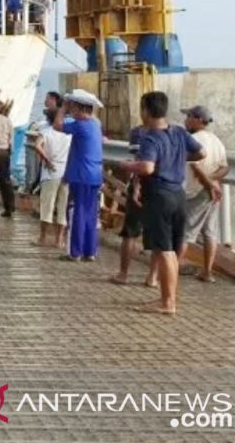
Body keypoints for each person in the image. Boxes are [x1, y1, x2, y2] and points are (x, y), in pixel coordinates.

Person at [117, 91, 205, 315]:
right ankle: (169, 298)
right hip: (179, 194)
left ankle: (167, 302)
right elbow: (201, 153)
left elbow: (146, 167)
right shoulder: (178, 132)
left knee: (164, 249)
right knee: (172, 251)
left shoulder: (150, 137)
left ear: (146, 110)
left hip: (159, 195)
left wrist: (127, 165)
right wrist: (177, 159)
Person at [181, 106, 228, 282]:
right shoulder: (216, 141)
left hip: (197, 191)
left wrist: (208, 183)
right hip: (212, 191)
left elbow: (195, 165)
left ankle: (171, 270)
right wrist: (213, 181)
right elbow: (225, 168)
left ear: (198, 119)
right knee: (210, 232)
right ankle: (207, 272)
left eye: (188, 116)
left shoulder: (193, 139)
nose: (186, 120)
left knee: (185, 233)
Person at [60, 89, 105, 262]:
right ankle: (90, 251)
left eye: (73, 107)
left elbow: (57, 125)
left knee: (76, 212)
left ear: (79, 108)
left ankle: (75, 251)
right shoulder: (96, 124)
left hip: (81, 176)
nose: (71, 110)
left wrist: (62, 109)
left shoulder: (80, 125)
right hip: (94, 175)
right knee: (90, 214)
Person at [110, 126, 148, 285]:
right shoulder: (172, 131)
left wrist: (135, 184)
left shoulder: (139, 132)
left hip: (142, 186)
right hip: (164, 187)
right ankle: (153, 277)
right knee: (161, 236)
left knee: (130, 232)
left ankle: (123, 274)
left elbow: (138, 161)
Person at [32, 107, 71, 248]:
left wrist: (46, 159)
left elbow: (37, 146)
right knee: (63, 207)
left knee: (47, 207)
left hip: (50, 173)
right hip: (66, 172)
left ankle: (42, 238)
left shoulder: (46, 132)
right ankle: (59, 240)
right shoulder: (69, 134)